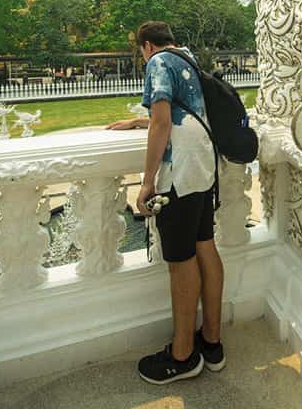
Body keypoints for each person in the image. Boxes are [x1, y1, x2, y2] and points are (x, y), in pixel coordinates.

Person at [106, 21, 223, 384]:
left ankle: (183, 354)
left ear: (145, 45)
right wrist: (137, 122)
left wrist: (147, 182)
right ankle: (212, 344)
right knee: (205, 246)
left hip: (180, 173)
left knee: (180, 261)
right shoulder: (187, 59)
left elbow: (162, 123)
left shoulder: (157, 63)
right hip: (204, 166)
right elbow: (178, 115)